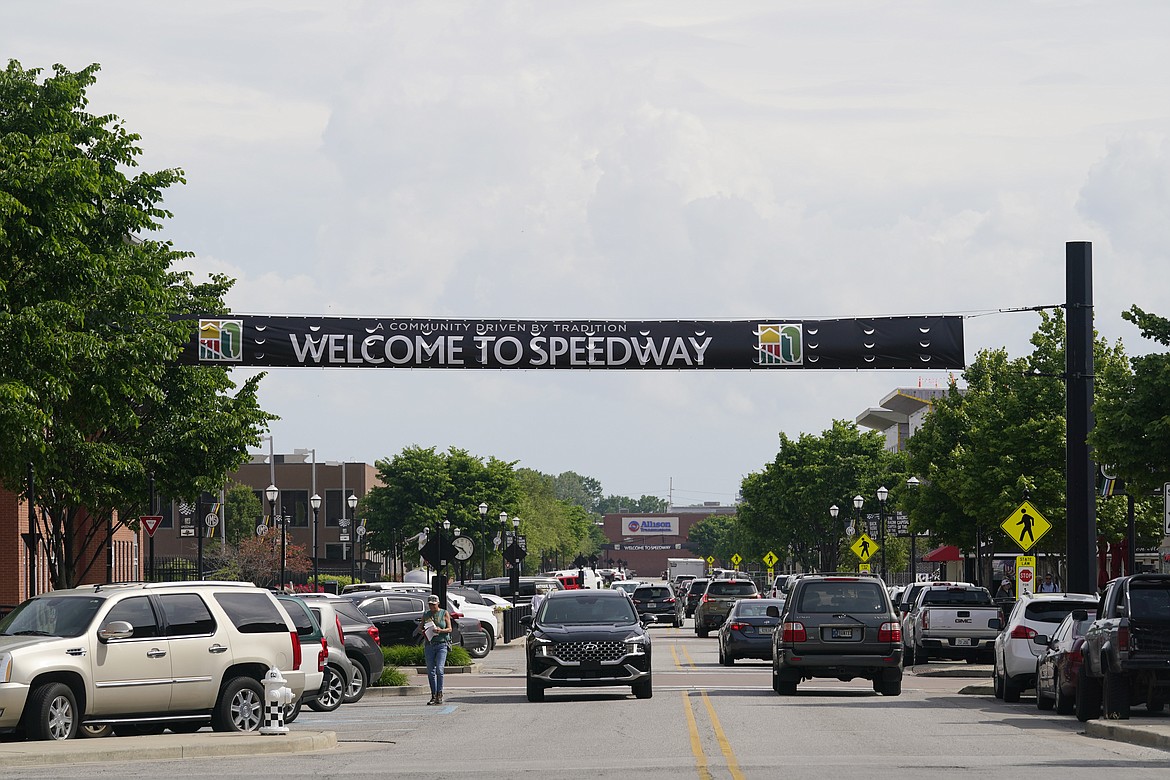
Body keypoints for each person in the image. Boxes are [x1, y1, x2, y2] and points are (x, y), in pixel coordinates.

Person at [419, 594, 453, 705]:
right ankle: (433, 694)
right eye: (430, 604)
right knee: (430, 671)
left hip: (442, 644)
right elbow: (420, 627)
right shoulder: (426, 614)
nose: (432, 607)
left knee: (439, 669)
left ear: (438, 603)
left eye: (433, 604)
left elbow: (449, 628)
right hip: (429, 644)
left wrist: (440, 630)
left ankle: (440, 693)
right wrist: (424, 631)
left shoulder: (444, 613)